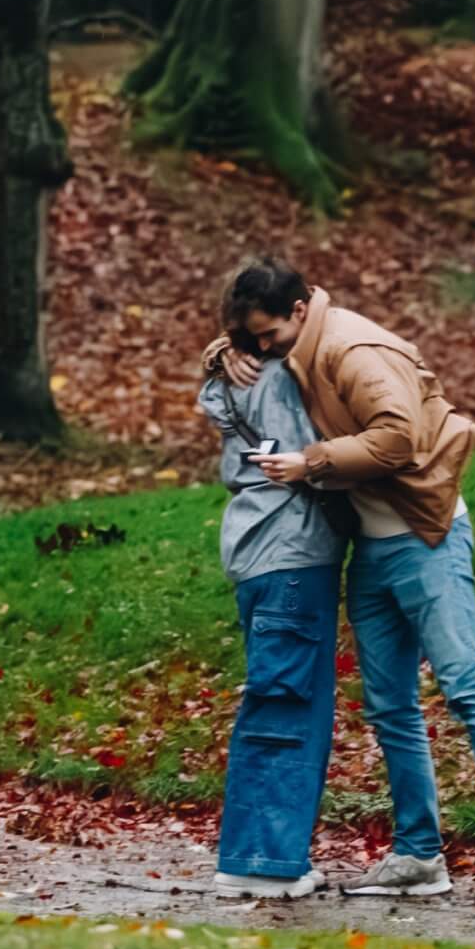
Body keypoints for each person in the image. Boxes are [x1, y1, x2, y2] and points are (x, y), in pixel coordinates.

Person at [208, 258, 475, 906]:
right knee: (391, 705)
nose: (263, 350)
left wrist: (309, 461)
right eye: (252, 339)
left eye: (269, 336)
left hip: (427, 537)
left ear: (302, 309)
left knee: (464, 683)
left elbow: (400, 436)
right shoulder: (295, 345)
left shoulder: (354, 349)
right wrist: (224, 349)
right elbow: (252, 356)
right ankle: (420, 852)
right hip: (371, 546)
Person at [200, 348, 350, 898]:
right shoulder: (278, 378)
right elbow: (298, 459)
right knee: (288, 703)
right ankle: (264, 861)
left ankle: (262, 853)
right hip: (292, 549)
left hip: (257, 548)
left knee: (277, 697)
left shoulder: (231, 373)